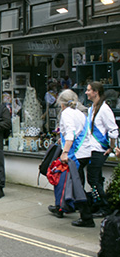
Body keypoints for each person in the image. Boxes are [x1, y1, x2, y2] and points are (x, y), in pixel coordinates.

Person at [46, 90, 92, 224]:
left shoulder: (66, 114)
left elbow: (71, 134)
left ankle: (86, 217)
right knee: (73, 184)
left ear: (61, 102)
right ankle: (64, 207)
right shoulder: (79, 113)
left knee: (74, 186)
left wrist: (64, 152)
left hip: (74, 154)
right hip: (84, 153)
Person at [83, 81, 118, 218]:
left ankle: (104, 206)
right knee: (94, 177)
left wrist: (111, 147)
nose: (86, 92)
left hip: (99, 149)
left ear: (96, 92)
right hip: (92, 148)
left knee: (93, 178)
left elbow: (113, 129)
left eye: (88, 90)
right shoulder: (93, 107)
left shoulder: (104, 109)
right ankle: (97, 203)